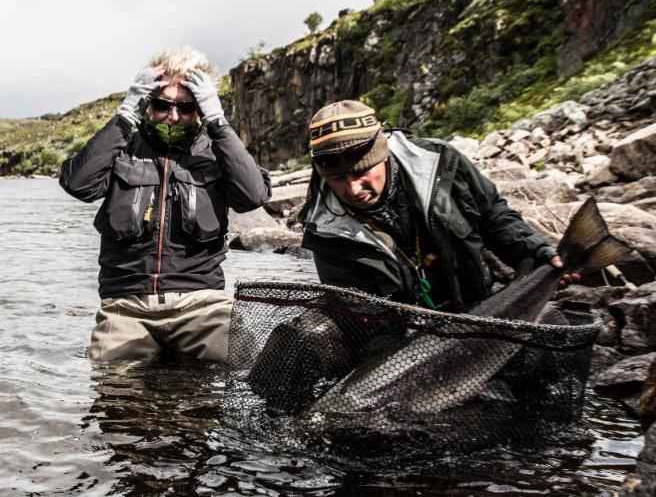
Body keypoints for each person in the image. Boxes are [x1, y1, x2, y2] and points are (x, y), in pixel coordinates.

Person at [60, 46, 270, 362]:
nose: (173, 116)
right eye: (162, 104)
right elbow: (78, 184)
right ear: (147, 102)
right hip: (126, 304)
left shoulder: (216, 152)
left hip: (203, 303)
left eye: (186, 107)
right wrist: (125, 114)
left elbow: (253, 195)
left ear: (199, 108)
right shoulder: (122, 149)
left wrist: (217, 120)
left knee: (243, 367)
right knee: (113, 384)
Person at [298, 100, 578, 313]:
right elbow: (357, 307)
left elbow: (493, 216)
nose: (353, 189)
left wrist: (534, 251)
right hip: (402, 327)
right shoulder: (323, 228)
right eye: (337, 179)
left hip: (477, 303)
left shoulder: (441, 163)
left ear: (383, 156)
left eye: (361, 173)